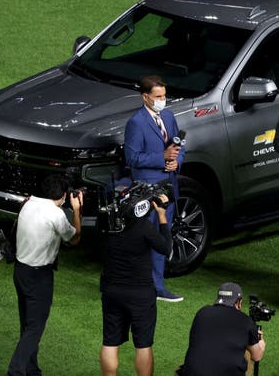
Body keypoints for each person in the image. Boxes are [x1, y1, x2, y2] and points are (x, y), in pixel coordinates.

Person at [7, 175, 83, 376]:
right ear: (64, 195)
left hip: (20, 272)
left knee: (27, 325)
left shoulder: (28, 203)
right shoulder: (56, 215)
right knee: (35, 328)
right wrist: (76, 210)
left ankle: (32, 371)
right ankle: (15, 371)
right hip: (39, 277)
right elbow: (74, 238)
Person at [124, 75, 185, 302]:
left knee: (162, 235)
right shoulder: (136, 122)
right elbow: (132, 158)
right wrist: (162, 158)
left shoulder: (168, 116)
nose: (163, 100)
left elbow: (179, 146)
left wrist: (176, 162)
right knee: (143, 239)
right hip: (146, 191)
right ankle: (139, 283)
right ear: (145, 97)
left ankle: (158, 286)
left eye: (164, 95)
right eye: (158, 96)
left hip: (167, 187)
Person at [99, 190, 173, 376]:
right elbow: (166, 248)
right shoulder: (142, 227)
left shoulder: (107, 224)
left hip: (112, 291)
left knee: (110, 341)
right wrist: (162, 215)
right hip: (140, 294)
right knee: (143, 344)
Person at [177, 282, 266, 376]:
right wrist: (260, 341)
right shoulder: (245, 320)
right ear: (239, 302)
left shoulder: (202, 312)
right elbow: (256, 356)